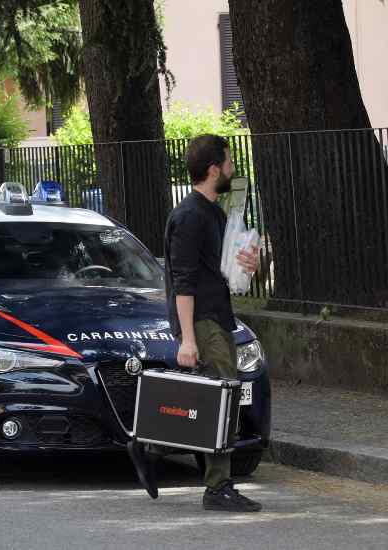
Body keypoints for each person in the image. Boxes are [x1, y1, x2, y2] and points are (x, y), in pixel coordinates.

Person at [128, 134, 262, 512]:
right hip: (201, 320)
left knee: (206, 400)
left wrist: (249, 263)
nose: (234, 170)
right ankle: (217, 486)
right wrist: (187, 339)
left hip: (217, 315)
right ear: (214, 169)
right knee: (223, 395)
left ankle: (148, 446)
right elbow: (183, 282)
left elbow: (222, 267)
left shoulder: (215, 212)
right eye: (230, 163)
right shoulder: (188, 217)